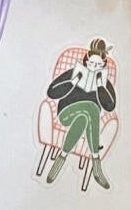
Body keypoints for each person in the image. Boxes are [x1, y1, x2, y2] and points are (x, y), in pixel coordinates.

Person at [44, 39, 116, 189]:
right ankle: (96, 165)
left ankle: (60, 159)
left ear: (103, 66)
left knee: (83, 118)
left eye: (98, 65)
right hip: (66, 113)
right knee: (91, 108)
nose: (93, 67)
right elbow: (51, 92)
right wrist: (72, 83)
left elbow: (110, 106)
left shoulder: (103, 82)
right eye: (91, 63)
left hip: (87, 119)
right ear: (86, 61)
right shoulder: (75, 73)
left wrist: (101, 87)